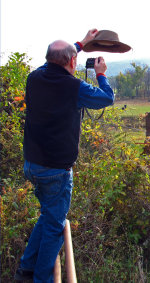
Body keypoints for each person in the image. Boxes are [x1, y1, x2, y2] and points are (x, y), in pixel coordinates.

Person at [15, 29, 115, 282]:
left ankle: (26, 269)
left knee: (48, 216)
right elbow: (106, 99)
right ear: (72, 62)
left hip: (32, 165)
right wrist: (100, 74)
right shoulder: (74, 87)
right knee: (55, 226)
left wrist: (80, 44)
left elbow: (55, 60)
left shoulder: (34, 78)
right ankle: (42, 278)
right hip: (55, 170)